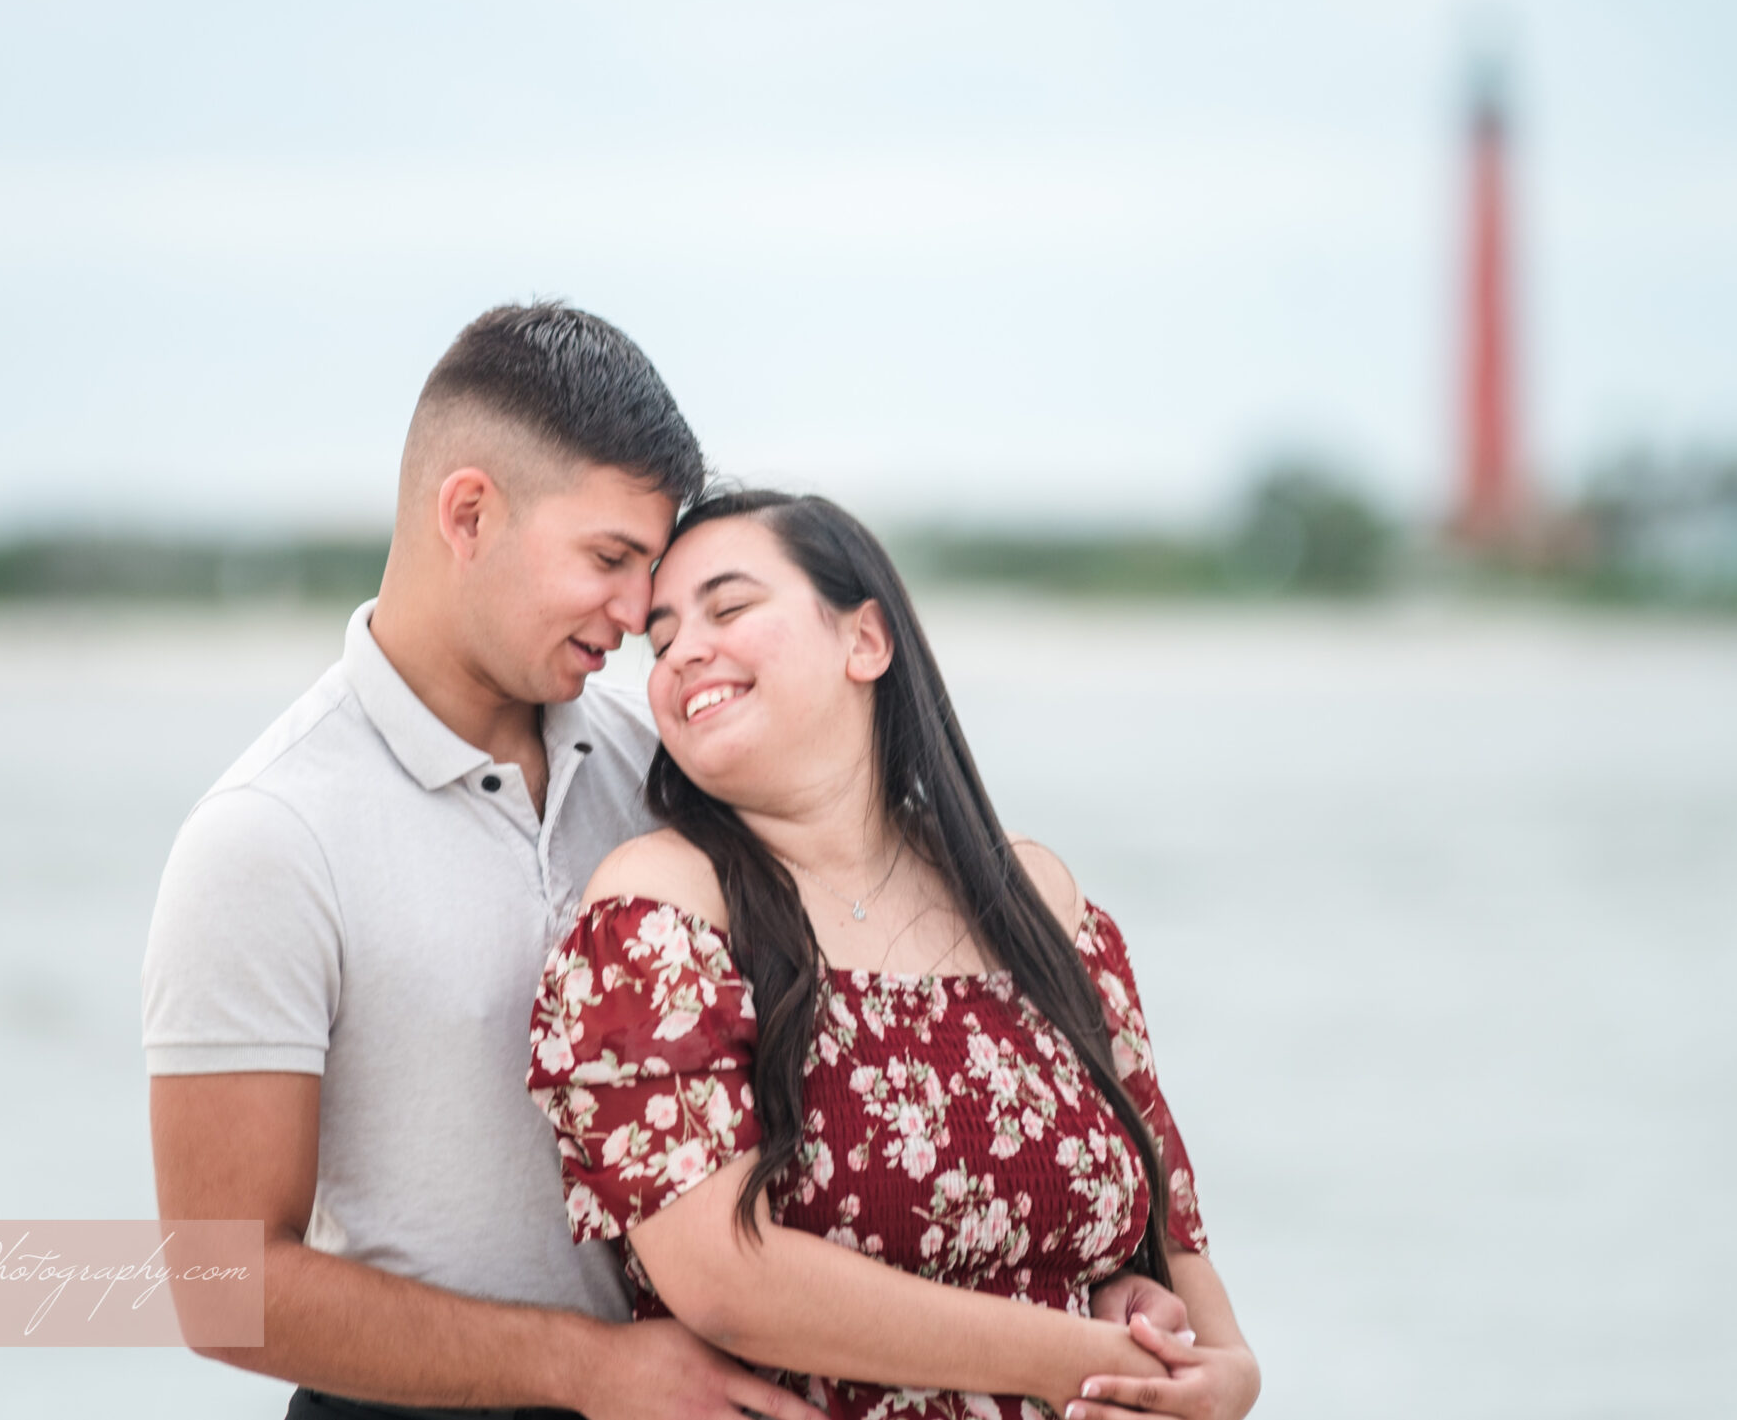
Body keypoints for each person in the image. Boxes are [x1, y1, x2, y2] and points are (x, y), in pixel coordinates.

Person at [142, 303, 818, 1418]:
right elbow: (223, 1288)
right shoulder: (266, 837)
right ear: (468, 512)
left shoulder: (665, 773)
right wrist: (585, 1368)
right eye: (609, 558)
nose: (639, 611)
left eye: (648, 566)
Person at [527, 491, 1262, 1420]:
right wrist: (1078, 1358)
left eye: (729, 607)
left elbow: (1172, 1239)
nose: (683, 653)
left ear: (865, 640)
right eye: (663, 638)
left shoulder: (1036, 898)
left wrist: (1224, 1376)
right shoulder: (659, 907)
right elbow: (722, 1277)